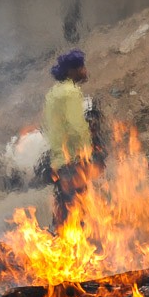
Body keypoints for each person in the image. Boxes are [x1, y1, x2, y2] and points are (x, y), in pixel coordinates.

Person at [43, 49, 92, 228]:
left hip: (58, 160)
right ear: (71, 71)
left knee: (63, 208)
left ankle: (61, 244)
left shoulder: (53, 93)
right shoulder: (70, 92)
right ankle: (79, 248)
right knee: (77, 207)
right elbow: (75, 127)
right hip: (72, 158)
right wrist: (86, 151)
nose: (85, 71)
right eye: (81, 67)